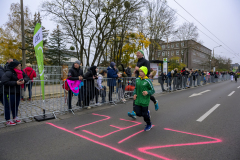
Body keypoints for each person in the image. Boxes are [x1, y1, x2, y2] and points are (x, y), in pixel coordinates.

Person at [1, 60, 29, 125]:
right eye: (19, 66)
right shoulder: (9, 72)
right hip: (9, 92)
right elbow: (4, 81)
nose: (20, 67)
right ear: (15, 66)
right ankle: (8, 120)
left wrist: (24, 80)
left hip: (17, 91)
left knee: (16, 105)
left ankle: (15, 117)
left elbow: (27, 77)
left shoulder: (21, 71)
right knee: (8, 106)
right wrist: (16, 83)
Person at [129, 66, 155, 131]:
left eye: (142, 71)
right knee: (137, 113)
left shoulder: (148, 81)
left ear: (145, 72)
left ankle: (149, 124)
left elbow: (153, 90)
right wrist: (134, 94)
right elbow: (136, 88)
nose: (140, 73)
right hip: (138, 100)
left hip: (144, 101)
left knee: (144, 115)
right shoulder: (137, 79)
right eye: (140, 71)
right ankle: (147, 113)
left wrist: (147, 92)